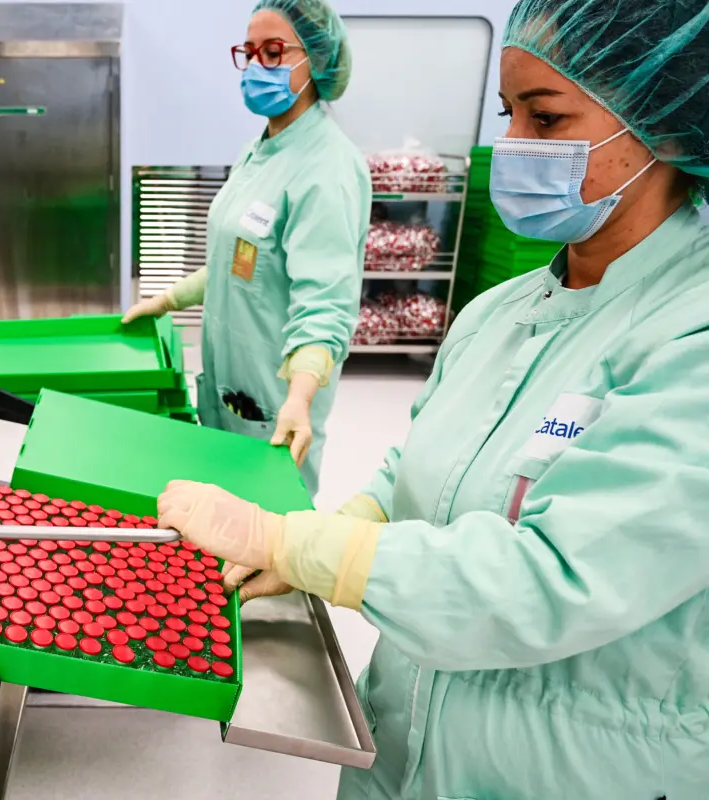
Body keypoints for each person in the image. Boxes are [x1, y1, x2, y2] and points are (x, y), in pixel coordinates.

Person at [157, 1, 709, 797]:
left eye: (546, 119)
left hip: (562, 769)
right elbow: (416, 466)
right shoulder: (499, 314)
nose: (512, 146)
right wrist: (338, 528)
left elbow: (547, 582)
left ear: (667, 128)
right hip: (402, 738)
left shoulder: (688, 340)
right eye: (507, 114)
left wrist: (293, 544)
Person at [123, 0, 370, 499]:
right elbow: (237, 261)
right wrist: (169, 299)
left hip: (274, 396)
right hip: (228, 378)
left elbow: (326, 305)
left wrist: (299, 397)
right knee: (220, 513)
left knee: (266, 529)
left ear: (315, 62)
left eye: (274, 52)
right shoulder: (260, 151)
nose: (258, 66)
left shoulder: (328, 169)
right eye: (250, 52)